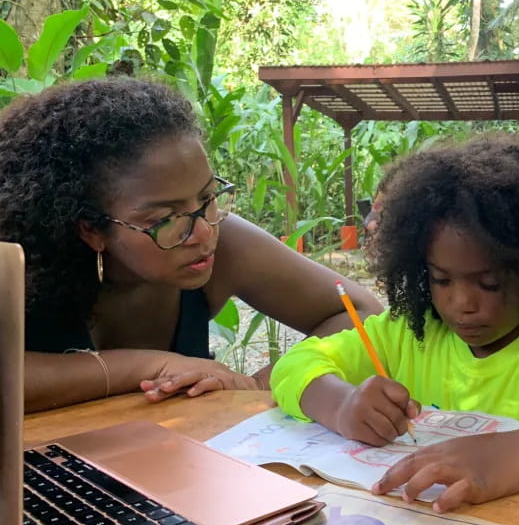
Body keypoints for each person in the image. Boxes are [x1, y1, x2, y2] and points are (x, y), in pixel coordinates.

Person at [270, 134, 519, 513]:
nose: (462, 304)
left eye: (489, 283)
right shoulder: (405, 334)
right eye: (442, 280)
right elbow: (294, 365)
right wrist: (342, 405)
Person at [0, 78, 382, 413]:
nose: (202, 232)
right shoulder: (18, 266)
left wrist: (264, 385)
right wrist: (148, 366)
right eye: (164, 220)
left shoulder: (226, 241)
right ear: (91, 229)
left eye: (207, 198)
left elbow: (361, 313)